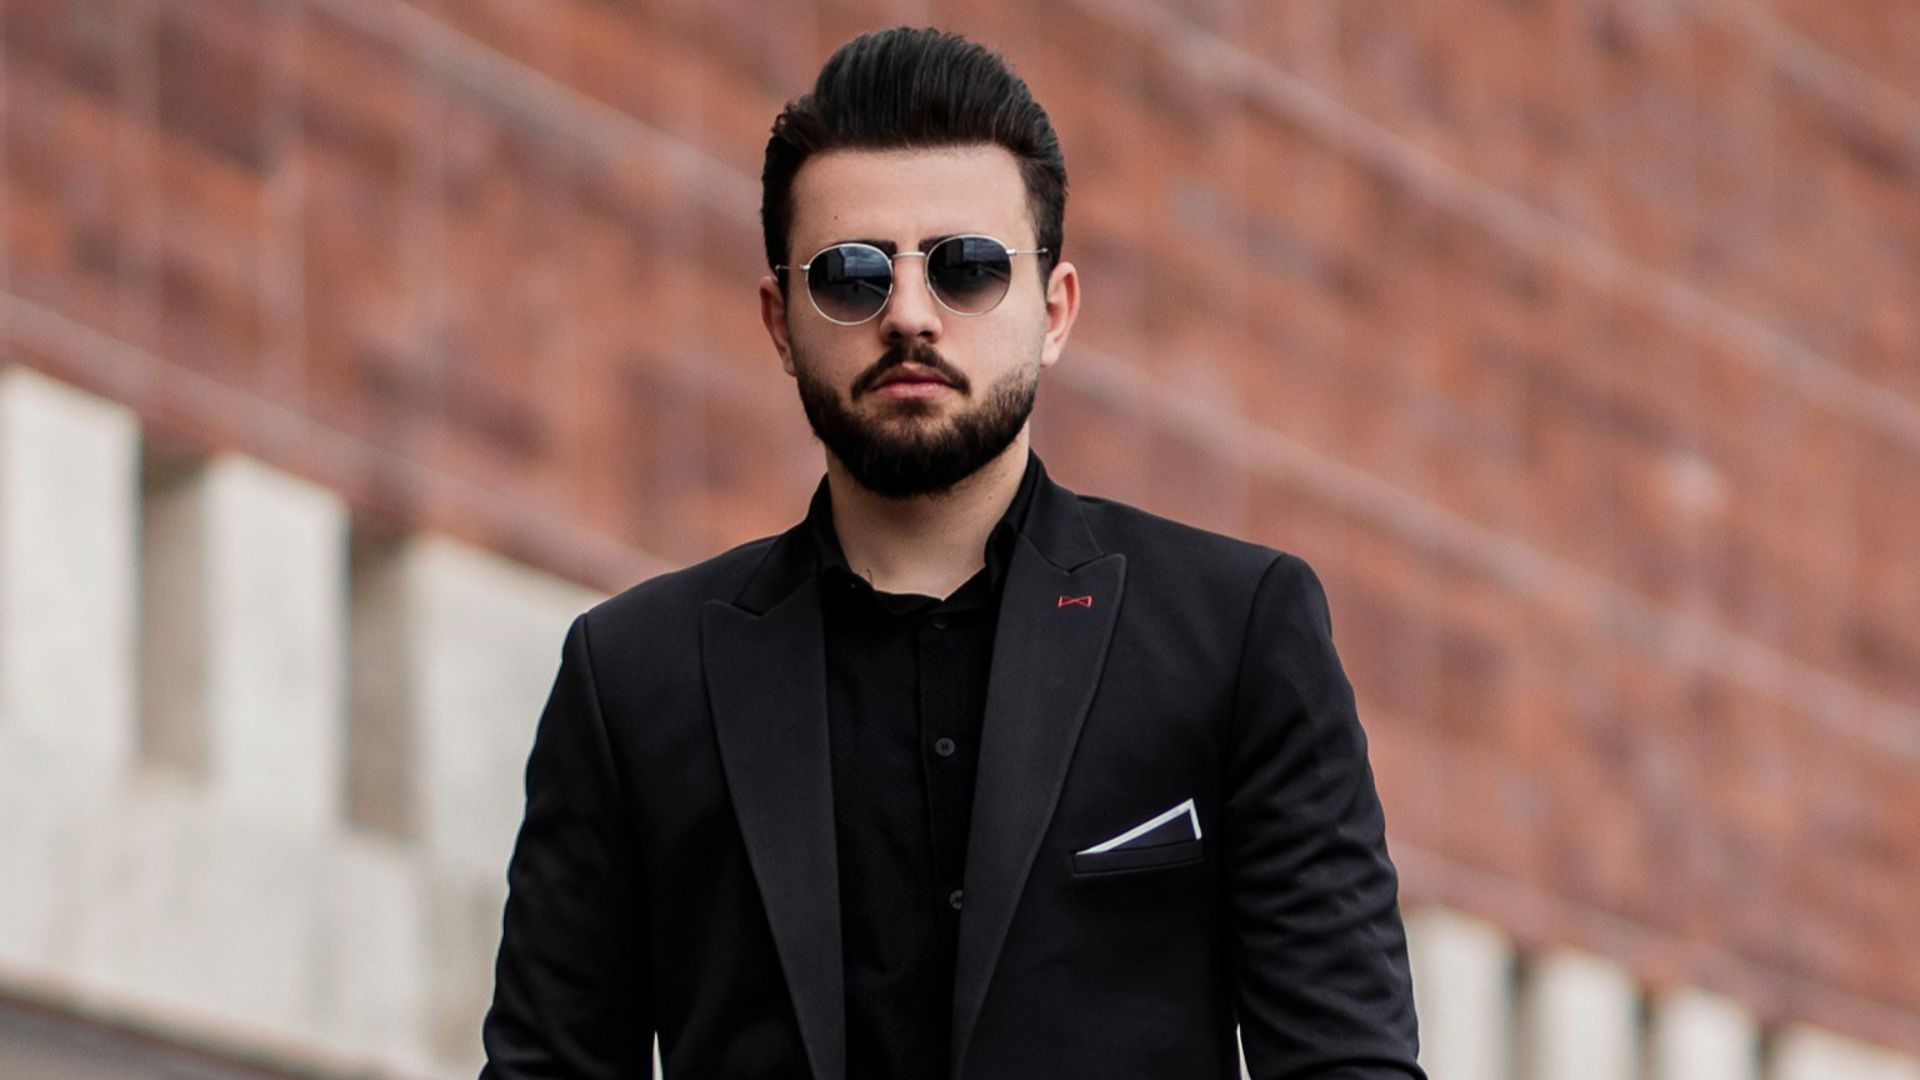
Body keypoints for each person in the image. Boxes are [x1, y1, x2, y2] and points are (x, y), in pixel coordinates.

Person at [479, 25, 1424, 1080]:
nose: (910, 315)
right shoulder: (634, 677)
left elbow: (1346, 1063)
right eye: (852, 274)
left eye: (968, 268)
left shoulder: (1236, 634)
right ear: (780, 320)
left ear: (1053, 309)